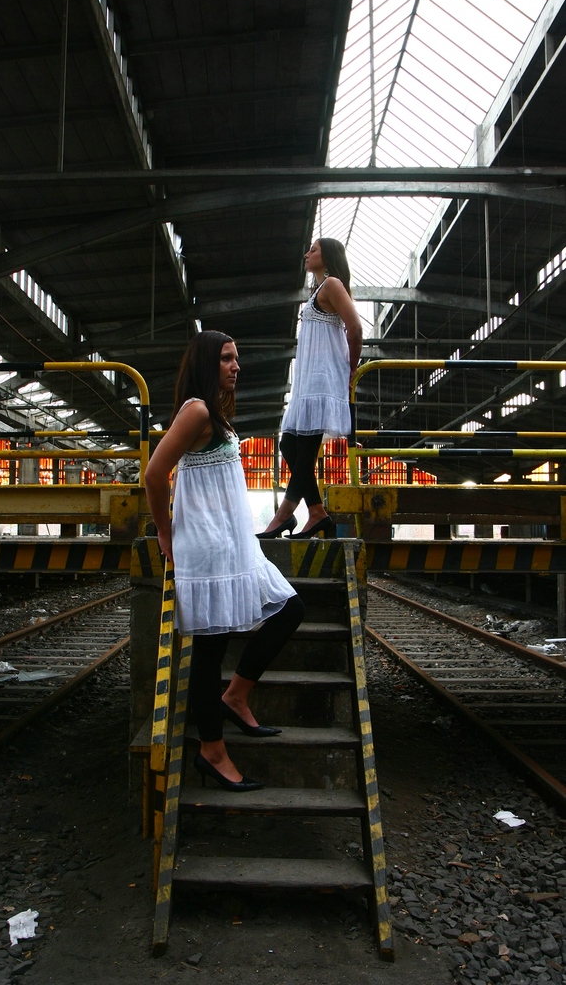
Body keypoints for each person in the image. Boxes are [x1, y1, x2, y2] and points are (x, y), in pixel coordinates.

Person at [145, 331, 306, 792]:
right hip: (209, 547)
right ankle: (212, 752)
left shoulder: (214, 412)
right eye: (226, 359)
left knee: (290, 609)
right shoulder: (196, 409)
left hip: (233, 546)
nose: (237, 366)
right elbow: (155, 474)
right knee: (209, 651)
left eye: (237, 357)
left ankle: (235, 696)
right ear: (205, 363)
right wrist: (163, 529)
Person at [257, 238, 363, 540]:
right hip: (309, 382)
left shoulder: (332, 284)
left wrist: (352, 368)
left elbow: (355, 328)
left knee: (301, 450)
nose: (306, 254)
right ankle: (316, 512)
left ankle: (283, 517)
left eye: (313, 250)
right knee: (289, 446)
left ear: (327, 257)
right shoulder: (319, 289)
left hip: (322, 379)